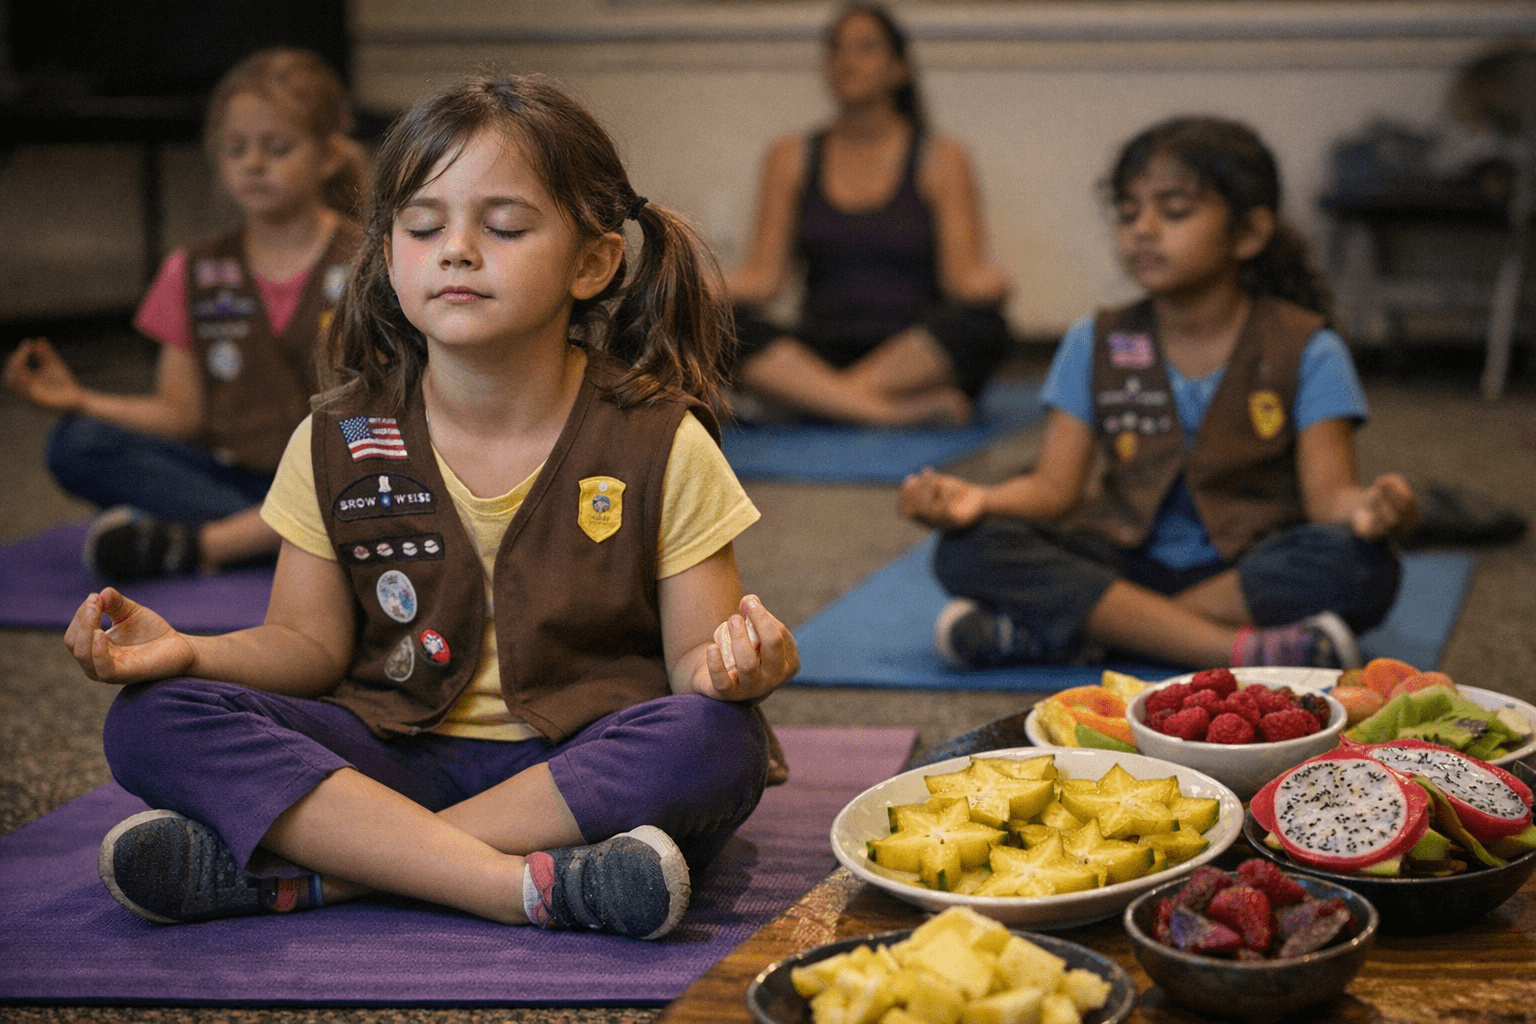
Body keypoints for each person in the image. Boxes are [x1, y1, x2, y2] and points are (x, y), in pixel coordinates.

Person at [63, 73, 799, 941]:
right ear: (385, 257)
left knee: (716, 741)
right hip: (387, 757)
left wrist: (734, 672)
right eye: (422, 226)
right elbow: (306, 647)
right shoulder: (338, 436)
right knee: (152, 718)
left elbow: (692, 673)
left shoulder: (660, 438)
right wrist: (188, 650)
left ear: (593, 262)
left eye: (505, 226)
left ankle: (323, 873)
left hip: (573, 768)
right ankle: (519, 885)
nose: (455, 249)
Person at [898, 116, 1419, 672]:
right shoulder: (1092, 340)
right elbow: (1054, 488)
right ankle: (1236, 649)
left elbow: (1328, 499)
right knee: (966, 549)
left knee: (1361, 562)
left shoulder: (1308, 347)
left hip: (1244, 569)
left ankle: (1078, 633)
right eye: (1128, 212)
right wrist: (979, 500)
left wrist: (1368, 508)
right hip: (1124, 557)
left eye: (1174, 211)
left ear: (1249, 233)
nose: (1142, 228)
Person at [3, 48, 366, 581]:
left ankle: (208, 544)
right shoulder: (190, 269)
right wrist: (80, 398)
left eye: (278, 146)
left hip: (340, 476)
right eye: (236, 148)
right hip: (233, 482)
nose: (254, 163)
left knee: (392, 473)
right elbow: (182, 415)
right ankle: (272, 541)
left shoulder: (371, 257)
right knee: (75, 442)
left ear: (328, 155)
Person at [723, 3, 1013, 426]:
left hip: (914, 353)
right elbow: (762, 279)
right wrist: (683, 284)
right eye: (836, 49)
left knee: (984, 328)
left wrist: (994, 282)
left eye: (865, 48)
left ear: (898, 69)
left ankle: (812, 401)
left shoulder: (941, 156)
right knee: (715, 327)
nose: (847, 61)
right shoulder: (790, 155)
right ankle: (881, 411)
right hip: (818, 347)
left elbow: (963, 280)